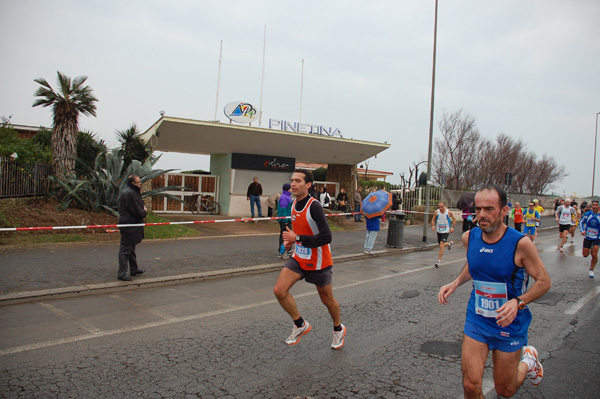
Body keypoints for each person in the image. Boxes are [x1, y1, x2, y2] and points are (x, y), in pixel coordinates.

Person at [438, 185, 551, 398]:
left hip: (509, 322)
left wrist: (518, 302)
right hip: (478, 319)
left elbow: (544, 282)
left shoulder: (521, 244)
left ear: (504, 211)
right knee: (470, 386)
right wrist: (455, 282)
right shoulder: (469, 238)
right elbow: (475, 264)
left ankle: (528, 361)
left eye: (489, 209)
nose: (481, 215)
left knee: (505, 390)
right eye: (478, 209)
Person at [273, 169, 346, 349]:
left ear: (308, 185)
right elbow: (297, 230)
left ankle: (338, 329)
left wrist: (297, 238)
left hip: (319, 259)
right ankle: (300, 324)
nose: (293, 184)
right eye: (292, 180)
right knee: (279, 290)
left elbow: (326, 237)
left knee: (327, 300)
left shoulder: (314, 206)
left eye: (298, 180)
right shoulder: (292, 204)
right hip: (299, 257)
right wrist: (290, 242)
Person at [117, 175, 147, 281]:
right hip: (129, 225)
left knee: (131, 249)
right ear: (133, 183)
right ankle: (122, 273)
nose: (140, 184)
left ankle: (134, 269)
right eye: (139, 182)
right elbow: (136, 210)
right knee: (125, 250)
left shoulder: (132, 192)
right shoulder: (129, 193)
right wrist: (144, 212)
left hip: (133, 225)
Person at [431, 201, 456, 267]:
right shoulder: (436, 212)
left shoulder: (448, 212)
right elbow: (433, 219)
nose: (441, 208)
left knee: (441, 244)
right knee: (441, 245)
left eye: (442, 207)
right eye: (439, 207)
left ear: (444, 206)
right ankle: (449, 244)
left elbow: (454, 219)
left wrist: (452, 227)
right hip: (439, 230)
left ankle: (438, 261)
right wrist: (433, 225)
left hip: (446, 230)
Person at [580, 200, 600, 278]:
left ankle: (591, 269)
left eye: (596, 205)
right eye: (593, 205)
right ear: (591, 206)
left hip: (597, 237)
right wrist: (582, 230)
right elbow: (581, 222)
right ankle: (590, 250)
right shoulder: (588, 214)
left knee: (594, 254)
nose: (595, 206)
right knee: (585, 255)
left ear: (599, 206)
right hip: (588, 236)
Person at [277, 183, 293, 259]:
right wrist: (285, 220)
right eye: (290, 188)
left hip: (287, 219)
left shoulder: (287, 197)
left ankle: (287, 251)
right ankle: (282, 252)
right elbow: (283, 209)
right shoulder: (284, 197)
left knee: (287, 236)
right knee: (285, 237)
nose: (291, 189)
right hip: (285, 220)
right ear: (287, 189)